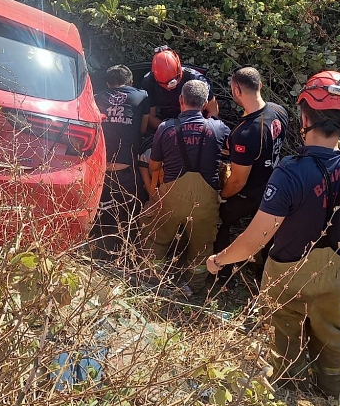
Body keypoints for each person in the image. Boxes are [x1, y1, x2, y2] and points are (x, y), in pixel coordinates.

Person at [206, 71, 340, 400]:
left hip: (287, 269)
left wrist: (218, 260)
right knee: (331, 334)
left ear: (304, 116)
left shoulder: (290, 172)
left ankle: (287, 390)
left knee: (285, 332)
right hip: (337, 269)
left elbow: (256, 238)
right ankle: (329, 393)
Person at [141, 80, 230, 295]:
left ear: (181, 100)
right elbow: (230, 160)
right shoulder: (219, 128)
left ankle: (151, 280)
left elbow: (154, 166)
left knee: (157, 238)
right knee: (201, 246)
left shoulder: (165, 127)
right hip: (205, 199)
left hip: (170, 196)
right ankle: (193, 287)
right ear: (205, 104)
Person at [213, 67, 289, 283]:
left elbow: (237, 181)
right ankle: (266, 276)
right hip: (274, 185)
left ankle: (222, 272)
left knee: (221, 220)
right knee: (269, 233)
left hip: (250, 192)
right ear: (260, 86)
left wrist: (222, 196)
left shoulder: (246, 132)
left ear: (236, 90)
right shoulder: (279, 111)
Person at [90, 65, 149, 262]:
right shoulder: (142, 97)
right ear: (131, 82)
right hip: (126, 169)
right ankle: (126, 258)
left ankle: (99, 256)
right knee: (129, 216)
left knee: (101, 214)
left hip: (99, 170)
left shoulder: (96, 98)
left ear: (107, 84)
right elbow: (142, 129)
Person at [141, 45, 219, 131]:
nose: (170, 87)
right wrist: (170, 132)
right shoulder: (149, 82)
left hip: (197, 125)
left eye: (173, 81)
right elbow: (151, 116)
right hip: (166, 124)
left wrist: (203, 132)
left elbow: (213, 111)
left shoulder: (196, 79)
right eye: (165, 84)